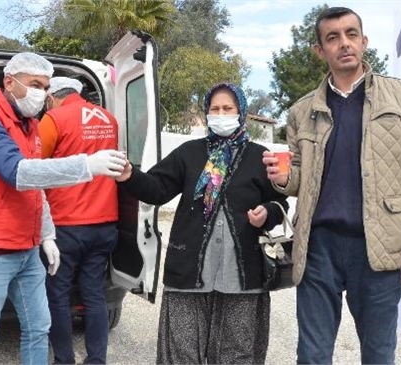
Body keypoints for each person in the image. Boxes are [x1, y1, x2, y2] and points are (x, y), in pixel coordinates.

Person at [262, 7, 401, 364]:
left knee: (377, 354)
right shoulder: (300, 112)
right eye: (333, 37)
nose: (344, 43)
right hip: (317, 248)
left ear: (363, 41)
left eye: (351, 34)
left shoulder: (400, 97)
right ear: (320, 50)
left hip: (379, 247)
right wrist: (284, 180)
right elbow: (301, 179)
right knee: (312, 355)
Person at [0, 53, 127, 365]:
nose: (42, 93)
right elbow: (20, 173)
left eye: (46, 87)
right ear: (10, 82)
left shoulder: (31, 125)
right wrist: (86, 164)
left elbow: (36, 189)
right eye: (35, 84)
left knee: (39, 327)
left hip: (27, 248)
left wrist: (47, 234)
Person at [116, 82, 288, 364]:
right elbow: (157, 188)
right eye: (214, 109)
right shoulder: (189, 153)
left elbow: (280, 204)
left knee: (237, 353)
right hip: (190, 270)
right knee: (183, 352)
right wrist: (130, 176)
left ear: (241, 112)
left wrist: (266, 213)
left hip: (242, 275)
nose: (220, 114)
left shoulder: (260, 156)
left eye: (227, 108)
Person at [37, 76, 119, 364]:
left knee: (57, 294)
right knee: (94, 293)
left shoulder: (53, 119)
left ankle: (64, 360)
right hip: (105, 222)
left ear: (52, 97)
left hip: (66, 224)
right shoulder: (109, 118)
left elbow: (34, 166)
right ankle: (97, 360)